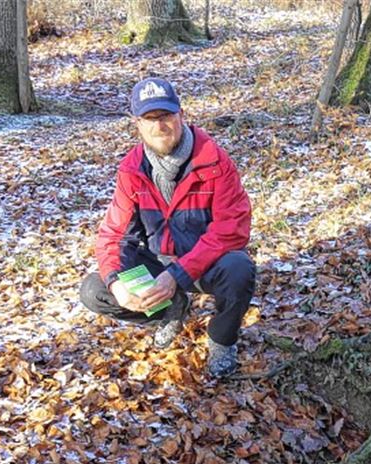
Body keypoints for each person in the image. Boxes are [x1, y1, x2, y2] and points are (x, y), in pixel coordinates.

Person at [80, 77, 255, 378]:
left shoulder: (214, 162)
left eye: (166, 116)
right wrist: (116, 283)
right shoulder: (131, 170)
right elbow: (114, 235)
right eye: (150, 118)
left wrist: (178, 274)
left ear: (181, 115)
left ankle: (221, 341)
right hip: (156, 263)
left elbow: (232, 229)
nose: (159, 126)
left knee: (240, 268)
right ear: (137, 124)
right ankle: (171, 309)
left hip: (204, 265)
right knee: (94, 290)